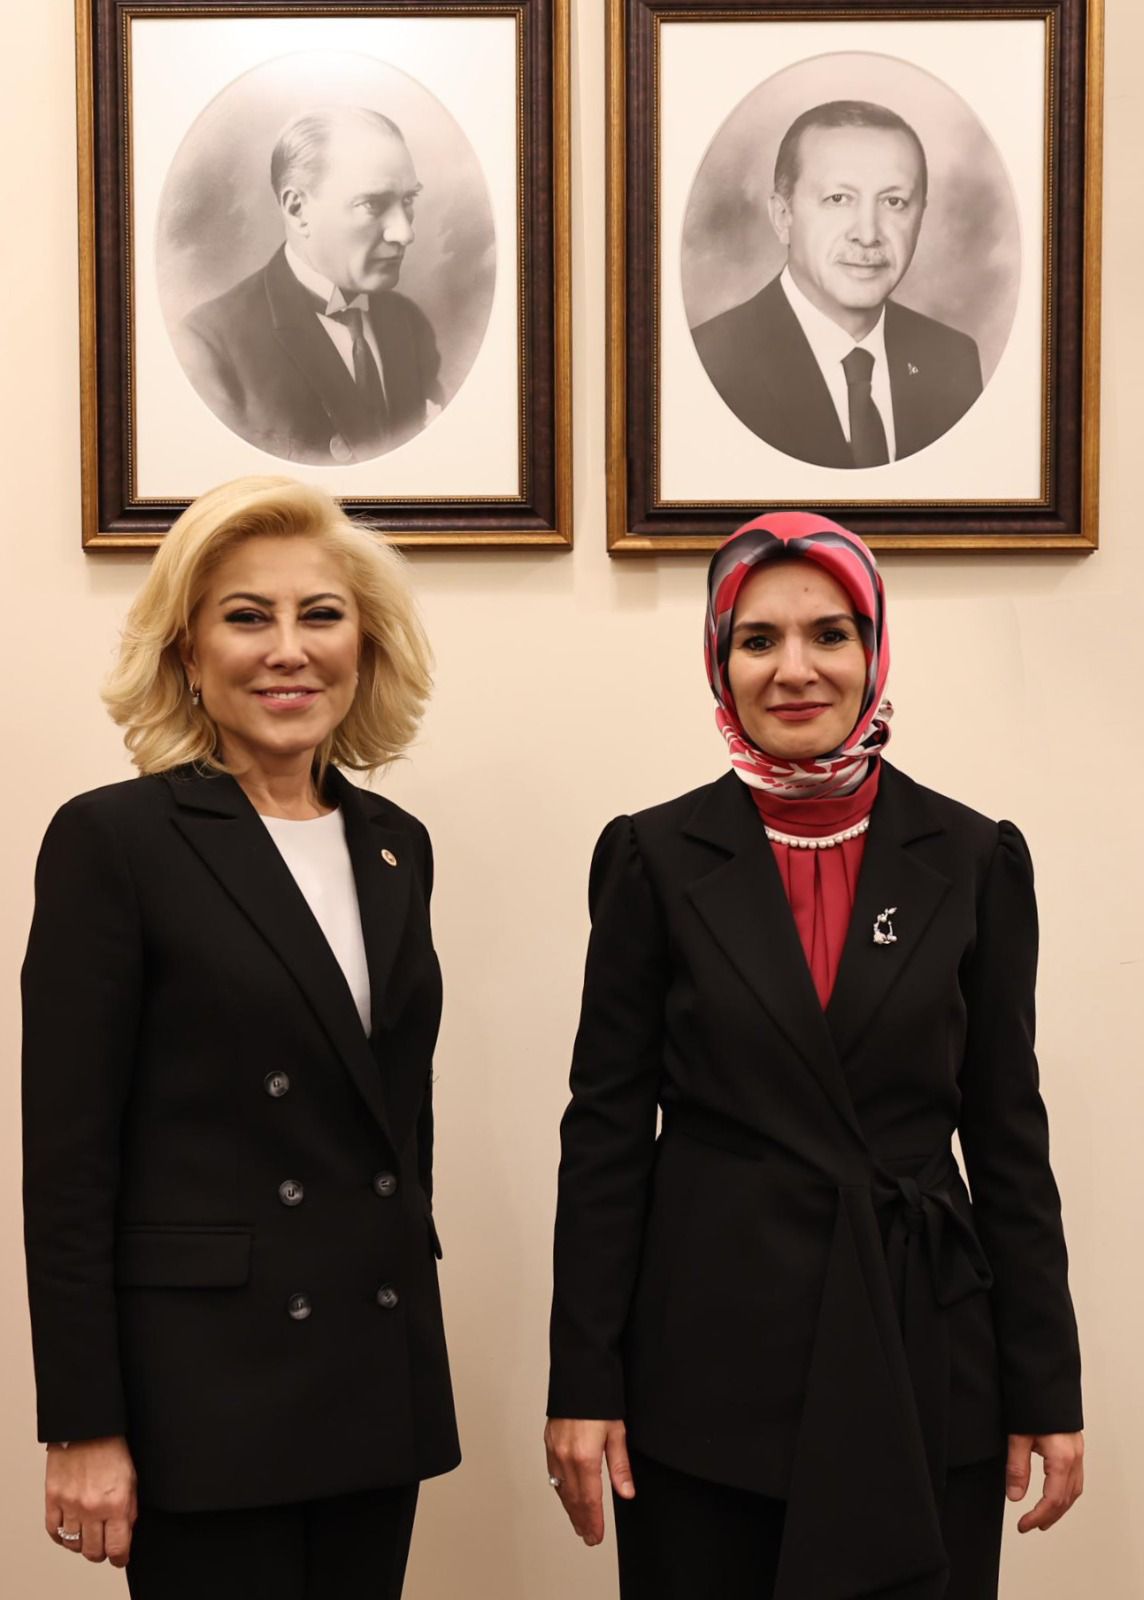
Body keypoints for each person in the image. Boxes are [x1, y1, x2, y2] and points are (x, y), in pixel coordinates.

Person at [545, 511, 1083, 1599]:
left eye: (830, 634)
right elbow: (605, 1136)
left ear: (874, 650)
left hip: (922, 1347)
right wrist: (583, 1380)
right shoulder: (652, 855)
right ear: (720, 659)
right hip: (707, 1365)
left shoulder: (974, 855)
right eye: (758, 639)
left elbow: (1007, 1135)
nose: (795, 669)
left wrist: (1046, 1385)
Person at [22, 476, 458, 1596]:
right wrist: (83, 1422)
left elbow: (395, 1118)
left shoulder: (396, 844)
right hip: (206, 1390)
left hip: (372, 1368)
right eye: (247, 616)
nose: (288, 650)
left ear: (364, 643)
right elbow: (68, 1164)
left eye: (321, 615)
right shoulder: (114, 841)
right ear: (188, 652)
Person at [691, 102, 983, 468]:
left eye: (894, 201)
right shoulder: (710, 366)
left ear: (920, 216)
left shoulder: (952, 359)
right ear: (783, 217)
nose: (868, 234)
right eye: (838, 199)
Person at [176, 107, 443, 466]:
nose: (405, 233)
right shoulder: (210, 346)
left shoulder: (409, 323)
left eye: (408, 200)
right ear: (297, 209)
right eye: (373, 204)